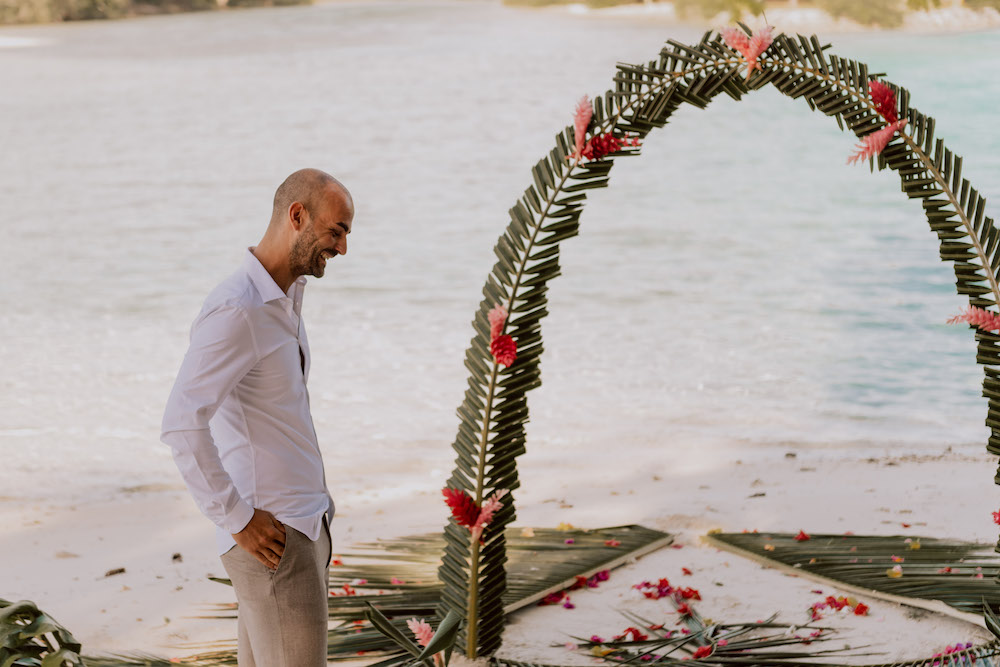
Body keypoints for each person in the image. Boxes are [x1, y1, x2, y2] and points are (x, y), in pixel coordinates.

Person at [160, 168, 354, 666]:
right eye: (336, 231)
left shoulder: (283, 299)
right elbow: (182, 422)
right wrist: (237, 518)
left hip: (300, 528)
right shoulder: (238, 309)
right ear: (297, 216)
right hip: (275, 539)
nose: (343, 248)